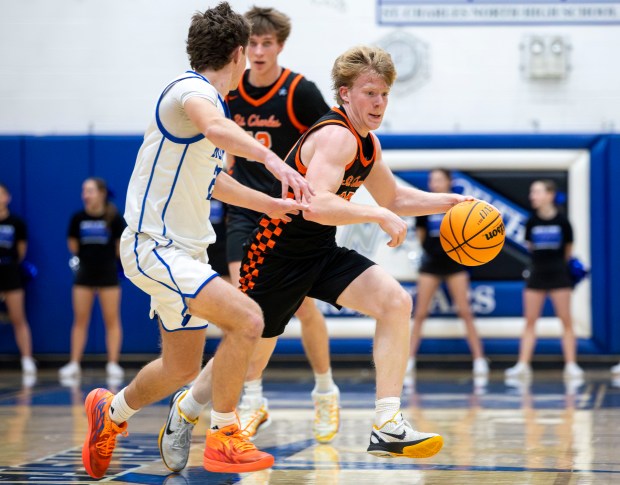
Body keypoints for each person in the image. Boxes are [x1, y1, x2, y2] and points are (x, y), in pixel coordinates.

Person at [160, 46, 471, 470]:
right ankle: (187, 407)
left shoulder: (367, 142)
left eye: (383, 94)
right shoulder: (336, 135)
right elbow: (316, 205)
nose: (378, 103)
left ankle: (387, 423)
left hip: (319, 251)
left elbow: (395, 197)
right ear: (345, 94)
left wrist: (449, 203)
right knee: (247, 358)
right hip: (275, 255)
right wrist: (375, 214)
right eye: (369, 93)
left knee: (395, 302)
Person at [80, 3, 310, 479]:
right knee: (249, 317)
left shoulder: (209, 104)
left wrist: (267, 205)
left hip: (184, 251)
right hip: (154, 245)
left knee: (181, 368)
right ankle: (225, 434)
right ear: (239, 54)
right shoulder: (190, 91)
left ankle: (112, 412)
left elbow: (211, 181)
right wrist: (274, 162)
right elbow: (215, 127)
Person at [225, 6, 335, 442]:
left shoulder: (299, 91)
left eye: (266, 43)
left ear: (280, 46)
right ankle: (253, 397)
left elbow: (334, 136)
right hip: (243, 209)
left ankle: (326, 389)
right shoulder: (230, 91)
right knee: (244, 307)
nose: (258, 50)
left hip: (290, 213)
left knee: (303, 307)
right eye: (252, 43)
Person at [408, 169, 488, 377]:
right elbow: (421, 235)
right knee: (420, 313)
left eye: (438, 179)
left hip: (455, 264)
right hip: (431, 264)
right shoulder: (425, 206)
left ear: (448, 182)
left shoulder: (460, 207)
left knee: (465, 312)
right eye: (431, 179)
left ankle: (479, 359)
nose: (434, 183)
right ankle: (408, 360)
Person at [505, 180, 584, 379]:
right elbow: (530, 247)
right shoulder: (531, 221)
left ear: (550, 195)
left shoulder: (563, 221)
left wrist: (560, 267)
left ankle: (571, 365)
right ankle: (523, 364)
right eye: (532, 192)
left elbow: (567, 250)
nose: (533, 196)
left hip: (559, 275)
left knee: (566, 321)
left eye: (537, 192)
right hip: (537, 274)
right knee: (530, 321)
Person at [59, 177, 126, 381]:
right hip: (84, 274)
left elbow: (119, 248)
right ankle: (74, 363)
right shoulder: (77, 218)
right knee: (80, 319)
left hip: (108, 273)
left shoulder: (114, 218)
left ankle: (113, 363)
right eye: (84, 191)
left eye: (89, 191)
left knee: (112, 319)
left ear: (102, 193)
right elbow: (73, 246)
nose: (85, 195)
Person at [0, 183, 36, 377]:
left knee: (18, 317)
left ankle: (27, 359)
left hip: (11, 272)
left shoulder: (16, 223)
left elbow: (21, 251)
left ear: (7, 197)